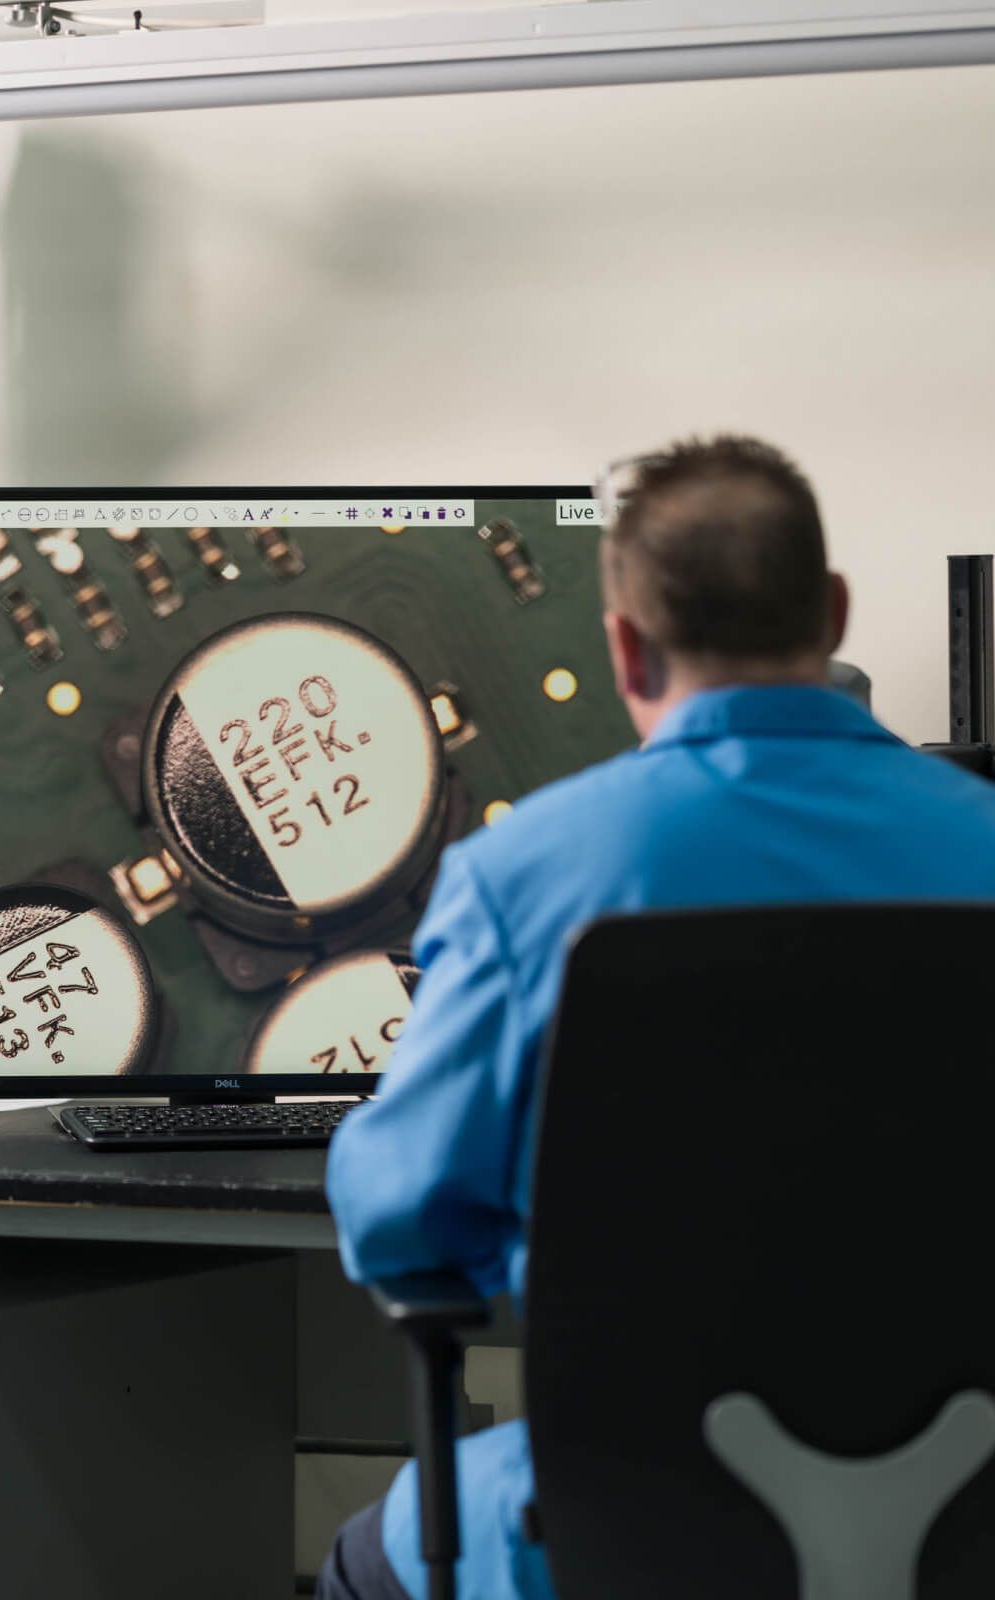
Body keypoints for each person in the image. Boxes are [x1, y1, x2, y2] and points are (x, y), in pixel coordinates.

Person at [319, 435, 995, 1600]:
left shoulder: (521, 877)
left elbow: (398, 1225)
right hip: (973, 1514)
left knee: (362, 1558)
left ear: (625, 646)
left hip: (618, 1523)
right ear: (832, 613)